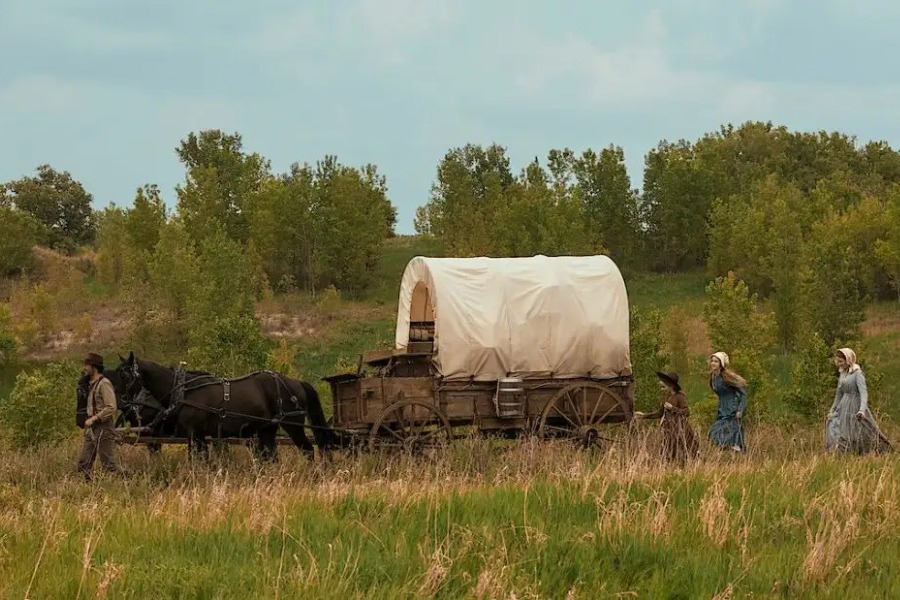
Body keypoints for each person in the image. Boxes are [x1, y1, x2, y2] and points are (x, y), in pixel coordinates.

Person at [825, 348, 892, 455]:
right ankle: (842, 452)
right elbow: (839, 394)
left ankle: (874, 449)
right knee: (836, 425)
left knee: (861, 429)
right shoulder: (842, 373)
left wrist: (862, 410)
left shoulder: (857, 374)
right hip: (843, 405)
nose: (839, 364)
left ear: (848, 360)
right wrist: (832, 409)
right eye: (838, 361)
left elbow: (863, 393)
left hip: (855, 404)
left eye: (842, 361)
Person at [76, 352, 125, 480]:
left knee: (109, 465)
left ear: (94, 367)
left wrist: (93, 418)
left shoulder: (104, 384)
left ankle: (129, 482)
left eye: (87, 365)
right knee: (83, 463)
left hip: (104, 428)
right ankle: (87, 489)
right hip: (91, 429)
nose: (84, 368)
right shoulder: (88, 384)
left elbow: (111, 407)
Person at [634, 371, 699, 464]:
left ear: (671, 384)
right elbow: (659, 413)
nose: (661, 383)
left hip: (679, 430)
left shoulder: (679, 397)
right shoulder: (666, 396)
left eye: (663, 382)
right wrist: (644, 416)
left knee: (682, 454)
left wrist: (673, 408)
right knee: (668, 454)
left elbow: (687, 412)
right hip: (668, 430)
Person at [708, 351, 748, 452]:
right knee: (714, 433)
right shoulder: (713, 378)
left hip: (732, 409)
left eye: (716, 361)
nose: (713, 363)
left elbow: (743, 393)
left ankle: (736, 452)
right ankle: (731, 452)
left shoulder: (727, 376)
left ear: (721, 364)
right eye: (712, 361)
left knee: (730, 433)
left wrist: (740, 409)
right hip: (722, 409)